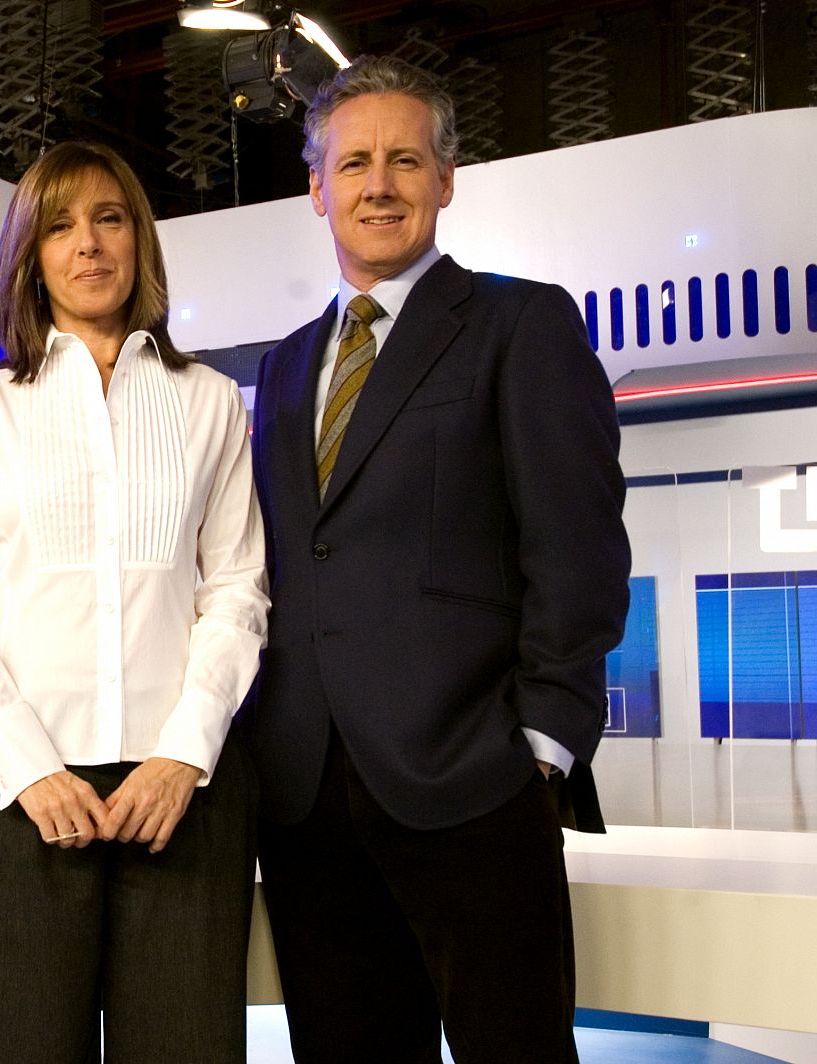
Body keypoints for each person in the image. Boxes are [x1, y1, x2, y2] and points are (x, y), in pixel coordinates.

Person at [247, 56, 631, 1062]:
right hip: (304, 796)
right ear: (316, 189)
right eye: (355, 162)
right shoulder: (284, 364)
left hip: (473, 777)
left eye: (405, 160)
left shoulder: (520, 323)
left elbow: (578, 544)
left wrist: (542, 744)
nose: (380, 184)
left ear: (445, 179)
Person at [0, 141, 269, 1063]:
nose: (89, 245)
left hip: (180, 798)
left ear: (139, 241)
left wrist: (183, 755)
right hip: (20, 798)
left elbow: (236, 592)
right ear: (29, 257)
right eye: (60, 226)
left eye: (109, 219)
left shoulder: (210, 401)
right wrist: (27, 765)